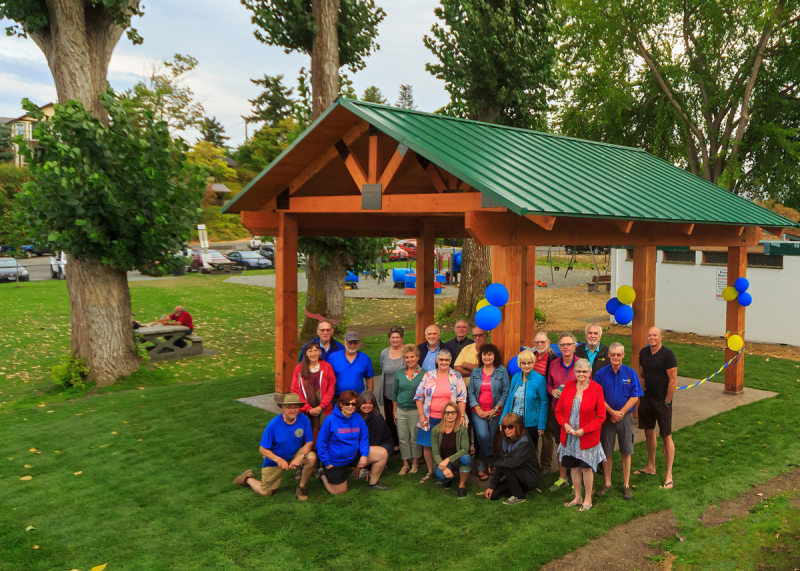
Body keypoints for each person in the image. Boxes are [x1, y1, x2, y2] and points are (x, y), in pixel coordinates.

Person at [233, 394, 317, 501]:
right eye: (289, 407)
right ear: (283, 408)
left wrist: (300, 456)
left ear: (299, 408)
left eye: (295, 406)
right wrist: (278, 459)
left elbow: (309, 442)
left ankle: (301, 487)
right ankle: (247, 478)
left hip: (294, 453)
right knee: (266, 492)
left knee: (311, 458)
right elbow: (262, 449)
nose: (292, 410)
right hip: (275, 459)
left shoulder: (304, 419)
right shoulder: (273, 424)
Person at [555, 358, 606, 512]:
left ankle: (588, 499)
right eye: (578, 371)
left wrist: (585, 430)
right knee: (574, 467)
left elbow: (601, 416)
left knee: (586, 468)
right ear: (574, 372)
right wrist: (564, 424)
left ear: (590, 373)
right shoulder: (569, 386)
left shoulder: (597, 388)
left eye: (584, 371)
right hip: (570, 436)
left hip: (587, 436)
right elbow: (558, 410)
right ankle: (577, 497)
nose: (581, 374)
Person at [594, 342, 643, 501]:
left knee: (626, 451)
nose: (615, 357)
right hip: (606, 418)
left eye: (618, 354)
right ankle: (607, 483)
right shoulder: (601, 374)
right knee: (607, 452)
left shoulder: (630, 373)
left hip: (625, 419)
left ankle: (626, 485)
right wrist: (611, 412)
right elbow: (598, 397)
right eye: (612, 354)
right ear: (608, 355)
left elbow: (635, 396)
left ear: (623, 355)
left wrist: (620, 413)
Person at [316, 391, 391, 493]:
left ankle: (373, 483)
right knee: (339, 492)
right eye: (347, 404)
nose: (350, 406)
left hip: (354, 455)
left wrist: (364, 456)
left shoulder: (358, 418)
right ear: (341, 404)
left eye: (353, 404)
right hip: (336, 460)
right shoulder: (330, 420)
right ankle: (323, 475)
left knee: (382, 453)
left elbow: (364, 438)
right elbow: (321, 443)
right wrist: (327, 462)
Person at [414, 349, 468, 484]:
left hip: (450, 419)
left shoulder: (456, 376)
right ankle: (430, 471)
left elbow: (462, 398)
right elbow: (419, 396)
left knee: (447, 445)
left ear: (450, 361)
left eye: (447, 360)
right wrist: (421, 415)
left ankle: (446, 467)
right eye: (441, 359)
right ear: (437, 360)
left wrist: (461, 416)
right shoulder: (428, 375)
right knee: (427, 446)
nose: (444, 362)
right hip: (430, 417)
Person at [635, 327, 678, 490]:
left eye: (655, 335)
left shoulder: (668, 355)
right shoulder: (644, 353)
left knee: (666, 436)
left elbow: (673, 380)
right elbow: (642, 375)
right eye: (649, 335)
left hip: (663, 401)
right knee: (648, 431)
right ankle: (651, 467)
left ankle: (669, 475)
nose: (651, 338)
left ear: (660, 337)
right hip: (647, 398)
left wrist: (667, 401)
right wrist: (640, 393)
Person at [467, 343, 510, 481]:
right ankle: (491, 463)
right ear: (481, 356)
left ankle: (481, 466)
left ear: (494, 356)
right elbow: (471, 391)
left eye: (490, 354)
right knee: (483, 436)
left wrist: (495, 409)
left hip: (495, 412)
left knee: (490, 439)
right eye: (484, 354)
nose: (487, 357)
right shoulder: (476, 371)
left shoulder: (501, 371)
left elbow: (505, 392)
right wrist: (478, 409)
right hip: (478, 411)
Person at [484, 412, 541, 505]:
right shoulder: (505, 440)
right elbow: (502, 463)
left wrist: (495, 462)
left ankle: (519, 496)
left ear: (517, 426)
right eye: (504, 427)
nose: (507, 430)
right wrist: (492, 486)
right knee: (494, 495)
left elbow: (512, 463)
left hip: (530, 476)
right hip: (515, 474)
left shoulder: (525, 441)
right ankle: (524, 490)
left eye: (510, 427)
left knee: (506, 466)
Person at [546, 332, 579, 491]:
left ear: (574, 346)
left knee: (576, 442)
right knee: (560, 443)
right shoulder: (553, 364)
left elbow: (588, 385)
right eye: (562, 345)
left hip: (576, 411)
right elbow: (549, 384)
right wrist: (552, 391)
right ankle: (562, 477)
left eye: (568, 344)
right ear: (559, 347)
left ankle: (576, 479)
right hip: (557, 410)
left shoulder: (581, 364)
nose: (566, 347)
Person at [501, 349, 548, 450]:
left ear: (533, 363)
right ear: (519, 364)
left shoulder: (540, 379)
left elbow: (544, 402)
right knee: (512, 448)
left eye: (529, 363)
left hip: (531, 423)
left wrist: (541, 425)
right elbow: (509, 399)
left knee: (529, 450)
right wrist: (503, 420)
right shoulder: (515, 377)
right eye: (523, 363)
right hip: (514, 421)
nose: (526, 365)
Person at [290, 341, 336, 442]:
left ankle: (321, 454)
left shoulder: (327, 367)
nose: (313, 353)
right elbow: (295, 390)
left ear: (320, 352)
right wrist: (308, 408)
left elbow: (330, 389)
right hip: (305, 409)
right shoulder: (299, 368)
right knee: (305, 434)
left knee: (323, 434)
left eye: (316, 350)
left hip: (323, 409)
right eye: (310, 351)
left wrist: (321, 407)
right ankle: (306, 453)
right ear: (306, 353)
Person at [394, 344, 425, 475]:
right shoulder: (400, 373)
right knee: (403, 437)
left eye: (412, 356)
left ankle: (415, 463)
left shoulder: (424, 374)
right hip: (401, 410)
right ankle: (405, 463)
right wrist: (394, 411)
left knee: (414, 438)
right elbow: (394, 393)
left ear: (417, 357)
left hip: (415, 410)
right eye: (406, 357)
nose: (409, 359)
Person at [532, 331, 561, 472]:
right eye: (537, 342)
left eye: (542, 342)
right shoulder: (532, 356)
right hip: (532, 403)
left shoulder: (553, 360)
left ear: (549, 343)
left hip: (547, 403)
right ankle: (531, 463)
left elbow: (554, 381)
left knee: (547, 435)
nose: (540, 344)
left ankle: (545, 466)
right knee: (532, 432)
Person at [431, 401, 471, 499]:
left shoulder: (462, 429)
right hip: (442, 462)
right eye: (447, 412)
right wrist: (443, 467)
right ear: (443, 414)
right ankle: (447, 478)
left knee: (466, 458)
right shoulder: (436, 430)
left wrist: (448, 460)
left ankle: (461, 486)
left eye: (453, 412)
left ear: (457, 414)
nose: (450, 415)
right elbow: (435, 453)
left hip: (455, 459)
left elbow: (465, 449)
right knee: (441, 477)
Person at [378, 326, 405, 452]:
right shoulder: (384, 353)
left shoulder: (407, 352)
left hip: (403, 392)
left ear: (402, 338)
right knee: (390, 419)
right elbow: (383, 369)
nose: (395, 340)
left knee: (403, 418)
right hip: (388, 392)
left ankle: (405, 444)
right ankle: (394, 444)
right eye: (392, 337)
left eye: (397, 337)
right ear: (389, 338)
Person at [327, 331, 374, 398]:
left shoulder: (365, 358)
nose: (352, 345)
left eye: (355, 343)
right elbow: (327, 377)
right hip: (337, 397)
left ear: (359, 342)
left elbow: (369, 378)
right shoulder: (333, 357)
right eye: (350, 343)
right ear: (344, 342)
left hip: (359, 397)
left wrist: (369, 396)